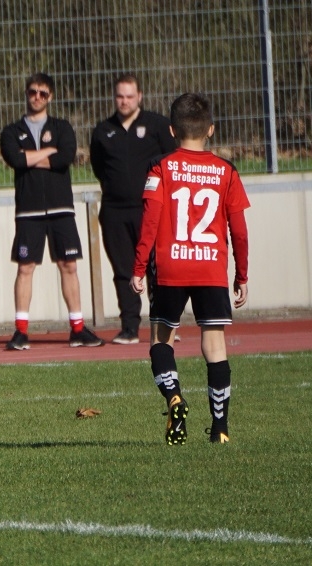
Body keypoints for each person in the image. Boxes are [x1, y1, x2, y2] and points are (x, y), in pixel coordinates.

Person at [131, 92, 250, 445]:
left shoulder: (160, 167)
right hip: (211, 268)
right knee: (214, 345)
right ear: (210, 129)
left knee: (160, 339)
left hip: (171, 267)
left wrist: (138, 266)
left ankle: (174, 398)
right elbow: (239, 231)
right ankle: (220, 428)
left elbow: (150, 222)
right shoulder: (227, 171)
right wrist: (241, 275)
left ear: (171, 130)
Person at [0, 72, 104, 350]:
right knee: (25, 268)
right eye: (33, 92)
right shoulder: (12, 131)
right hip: (28, 211)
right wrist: (48, 152)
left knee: (69, 265)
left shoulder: (62, 127)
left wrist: (32, 157)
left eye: (42, 93)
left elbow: (65, 158)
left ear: (50, 97)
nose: (37, 97)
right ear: (26, 94)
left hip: (61, 209)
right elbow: (16, 159)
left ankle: (78, 328)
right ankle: (21, 331)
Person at [91, 73, 177, 344]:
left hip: (150, 210)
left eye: (129, 96)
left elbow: (171, 161)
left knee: (156, 267)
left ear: (139, 96)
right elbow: (99, 168)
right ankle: (129, 327)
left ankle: (164, 325)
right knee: (124, 270)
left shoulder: (157, 125)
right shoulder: (103, 130)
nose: (124, 101)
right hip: (114, 212)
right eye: (120, 96)